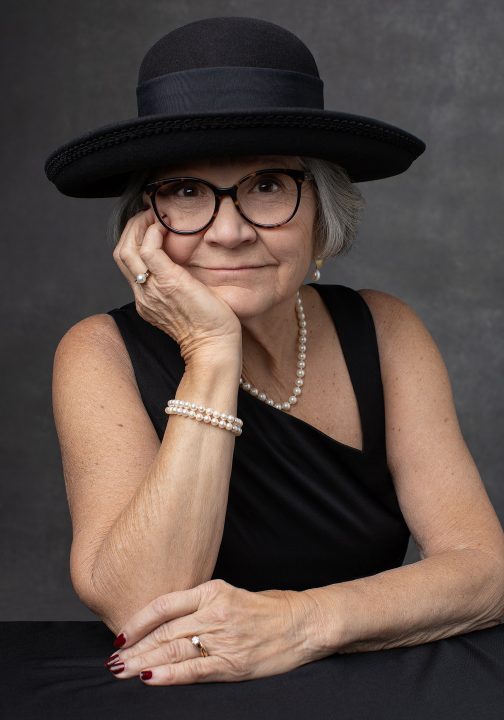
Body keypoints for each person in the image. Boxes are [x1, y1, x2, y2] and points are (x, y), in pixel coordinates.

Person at [44, 15, 504, 713]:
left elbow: (487, 570)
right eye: (188, 192)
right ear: (146, 223)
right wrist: (210, 350)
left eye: (267, 186)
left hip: (367, 691)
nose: (229, 232)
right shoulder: (96, 353)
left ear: (321, 214)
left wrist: (299, 624)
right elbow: (144, 604)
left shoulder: (386, 330)